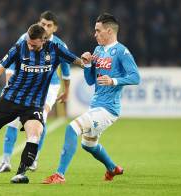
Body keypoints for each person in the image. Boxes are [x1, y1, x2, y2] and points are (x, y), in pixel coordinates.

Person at [0, 24, 84, 184]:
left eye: (33, 45)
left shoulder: (55, 49)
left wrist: (89, 61)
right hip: (10, 99)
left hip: (33, 104)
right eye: (29, 42)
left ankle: (21, 173)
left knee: (35, 134)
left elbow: (78, 61)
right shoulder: (19, 48)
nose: (29, 46)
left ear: (43, 41)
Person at [43, 13, 140, 184]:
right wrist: (87, 63)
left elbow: (135, 77)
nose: (95, 34)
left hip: (108, 109)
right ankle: (112, 168)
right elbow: (89, 81)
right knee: (88, 145)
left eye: (98, 30)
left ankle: (59, 175)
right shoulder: (98, 50)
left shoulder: (121, 51)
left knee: (71, 128)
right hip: (96, 105)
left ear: (109, 31)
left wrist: (114, 81)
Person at [0, 11, 71, 173]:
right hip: (24, 85)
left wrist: (67, 91)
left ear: (55, 28)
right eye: (43, 24)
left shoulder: (59, 46)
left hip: (49, 87)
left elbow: (65, 71)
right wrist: (9, 86)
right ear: (39, 23)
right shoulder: (25, 39)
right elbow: (13, 63)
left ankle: (33, 159)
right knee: (12, 120)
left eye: (49, 25)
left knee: (39, 120)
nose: (45, 27)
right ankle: (6, 160)